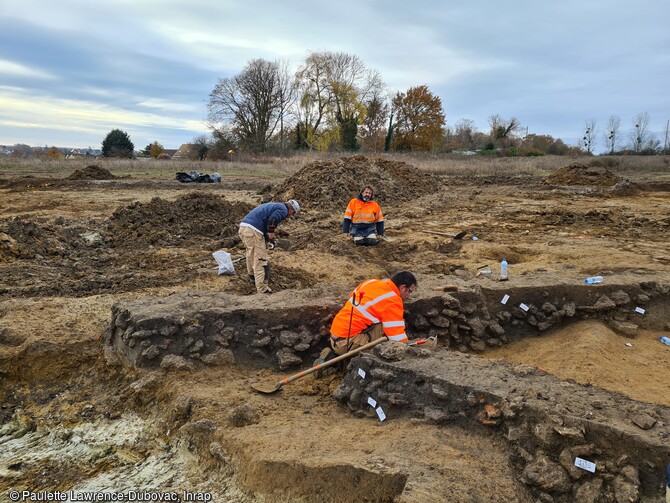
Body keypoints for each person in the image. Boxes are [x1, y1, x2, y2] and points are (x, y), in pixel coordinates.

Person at [315, 271, 417, 368]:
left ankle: (334, 355)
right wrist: (410, 350)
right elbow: (397, 337)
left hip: (334, 337)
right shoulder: (393, 300)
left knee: (380, 322)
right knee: (386, 333)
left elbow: (354, 298)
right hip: (346, 344)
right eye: (410, 291)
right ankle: (344, 363)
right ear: (403, 287)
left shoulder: (371, 282)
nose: (408, 295)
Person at [238, 200, 300, 294]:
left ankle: (252, 278)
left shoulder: (275, 205)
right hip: (253, 231)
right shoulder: (283, 210)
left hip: (244, 228)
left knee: (251, 254)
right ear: (292, 211)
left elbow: (266, 223)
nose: (291, 216)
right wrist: (271, 239)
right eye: (293, 214)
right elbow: (272, 221)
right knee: (260, 260)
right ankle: (263, 290)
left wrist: (268, 238)